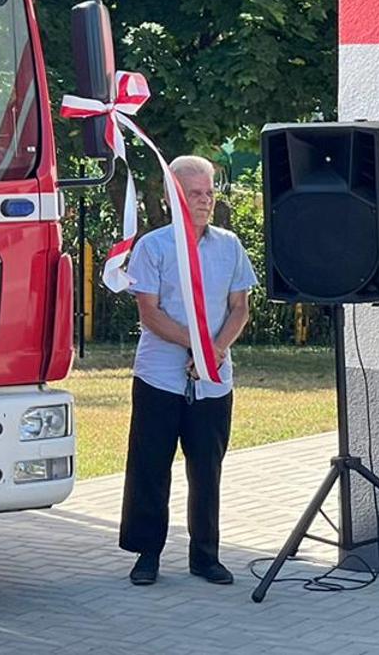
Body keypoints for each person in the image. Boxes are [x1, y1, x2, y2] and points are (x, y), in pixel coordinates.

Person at [118, 155, 256, 587]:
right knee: (150, 466)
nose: (205, 201)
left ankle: (206, 556)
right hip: (161, 377)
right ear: (172, 196)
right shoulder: (153, 247)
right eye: (195, 193)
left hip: (213, 380)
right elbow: (150, 314)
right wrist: (192, 345)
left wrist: (213, 352)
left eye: (209, 193)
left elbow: (240, 308)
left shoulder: (229, 245)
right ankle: (147, 555)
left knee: (207, 468)